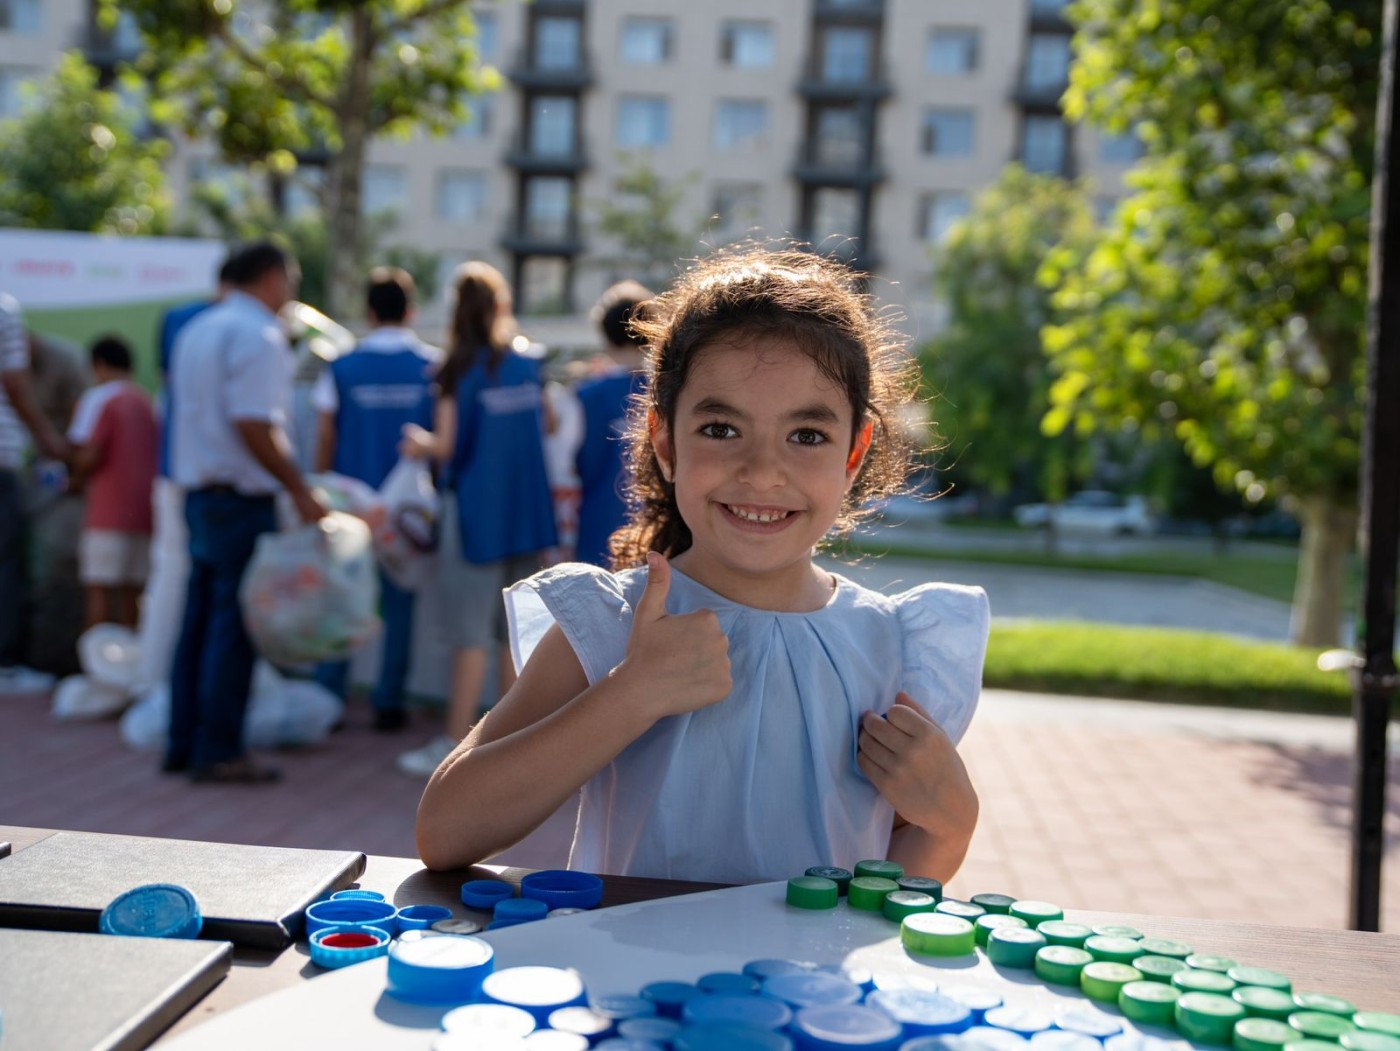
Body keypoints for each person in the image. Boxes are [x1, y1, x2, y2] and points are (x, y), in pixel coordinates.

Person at [414, 246, 989, 885]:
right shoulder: (614, 623)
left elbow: (895, 887)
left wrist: (950, 828)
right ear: (666, 442)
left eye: (806, 436)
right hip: (633, 981)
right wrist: (631, 693)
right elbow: (445, 830)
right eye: (721, 429)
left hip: (812, 990)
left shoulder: (893, 646)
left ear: (854, 452)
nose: (763, 471)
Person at [165, 241, 327, 784]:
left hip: (200, 494)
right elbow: (253, 423)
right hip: (240, 498)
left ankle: (182, 742)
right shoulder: (258, 334)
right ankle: (219, 750)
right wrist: (298, 488)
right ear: (273, 276)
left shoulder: (196, 329)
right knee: (232, 628)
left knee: (197, 623)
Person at [396, 261, 557, 778]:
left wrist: (420, 444)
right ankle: (504, 742)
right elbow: (549, 422)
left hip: (475, 517)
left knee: (469, 635)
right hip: (525, 512)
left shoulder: (457, 369)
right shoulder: (528, 364)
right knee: (510, 631)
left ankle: (454, 742)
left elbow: (445, 443)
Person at [310, 266, 440, 732]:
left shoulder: (341, 368)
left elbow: (325, 436)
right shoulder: (432, 367)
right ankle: (389, 702)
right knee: (400, 600)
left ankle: (328, 696)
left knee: (342, 596)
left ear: (368, 312)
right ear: (411, 311)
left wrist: (319, 490)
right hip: (407, 510)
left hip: (349, 506)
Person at [136, 258, 234, 693]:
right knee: (201, 591)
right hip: (212, 481)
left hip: (177, 473)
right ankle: (177, 692)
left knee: (172, 578)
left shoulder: (179, 319)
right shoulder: (235, 326)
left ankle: (156, 684)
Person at [0, 291, 69, 695]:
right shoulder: (4, 309)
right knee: (6, 562)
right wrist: (46, 437)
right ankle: (6, 663)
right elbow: (14, 381)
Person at [66, 335, 159, 630]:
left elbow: (88, 454)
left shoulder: (98, 398)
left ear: (99, 365)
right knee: (134, 591)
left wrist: (75, 477)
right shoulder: (148, 402)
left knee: (99, 587)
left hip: (107, 513)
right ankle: (132, 665)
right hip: (145, 513)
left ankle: (97, 669)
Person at [573, 280, 654, 567]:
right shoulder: (669, 391)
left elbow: (567, 467)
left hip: (598, 531)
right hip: (660, 534)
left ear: (605, 335)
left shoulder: (585, 395)